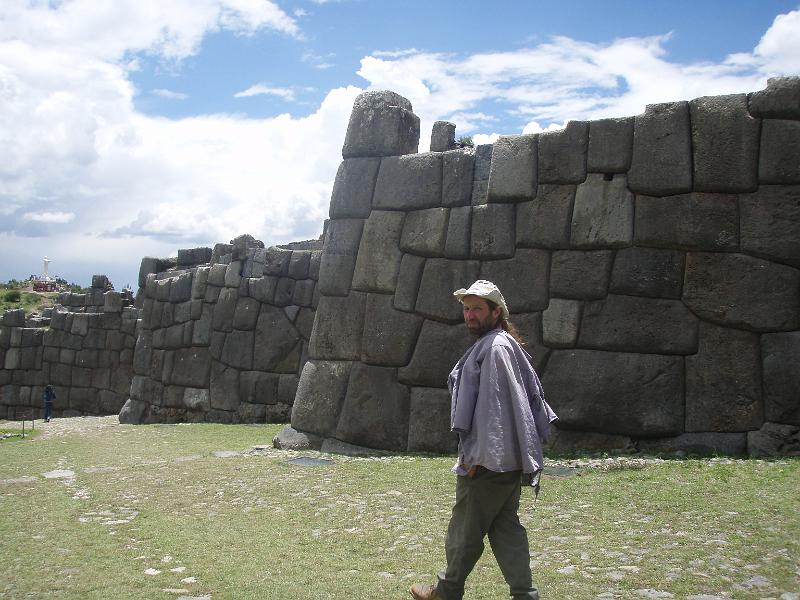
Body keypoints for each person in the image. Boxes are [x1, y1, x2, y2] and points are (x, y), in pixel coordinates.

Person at [411, 280, 558, 600]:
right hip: (505, 460)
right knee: (506, 530)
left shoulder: (494, 348)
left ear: (496, 312)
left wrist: (478, 456)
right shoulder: (500, 343)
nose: (470, 315)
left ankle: (446, 593)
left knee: (465, 529)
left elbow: (494, 408)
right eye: (467, 309)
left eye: (478, 308)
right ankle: (525, 595)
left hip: (489, 460)